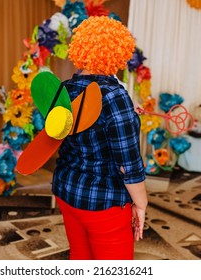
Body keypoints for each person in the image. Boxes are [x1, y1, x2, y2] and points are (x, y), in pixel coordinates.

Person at [52, 16, 148, 260]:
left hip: (67, 191)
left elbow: (76, 132)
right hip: (103, 201)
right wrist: (141, 203)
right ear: (118, 52)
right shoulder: (115, 96)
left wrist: (129, 112)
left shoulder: (65, 89)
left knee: (80, 257)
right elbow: (128, 162)